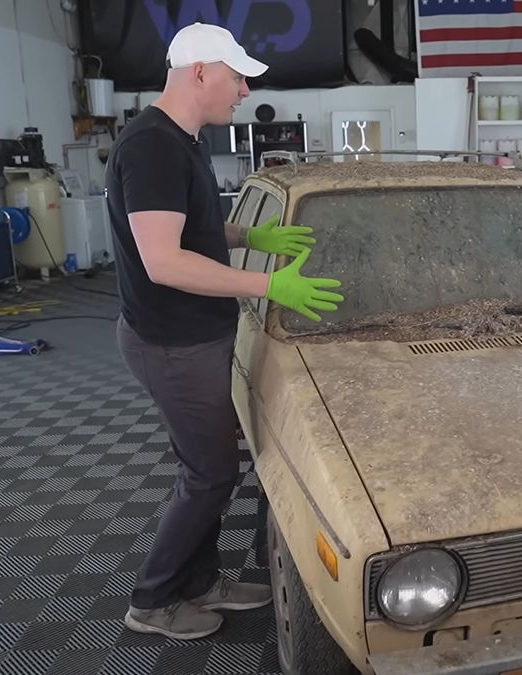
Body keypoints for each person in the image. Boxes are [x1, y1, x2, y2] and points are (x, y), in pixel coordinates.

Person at [104, 22, 345, 640]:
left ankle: (201, 582)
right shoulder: (152, 147)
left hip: (194, 334)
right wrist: (269, 285)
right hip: (171, 343)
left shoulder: (182, 141)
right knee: (209, 474)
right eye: (237, 78)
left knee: (209, 469)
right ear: (200, 72)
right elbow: (164, 261)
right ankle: (153, 600)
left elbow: (190, 224)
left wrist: (247, 235)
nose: (244, 91)